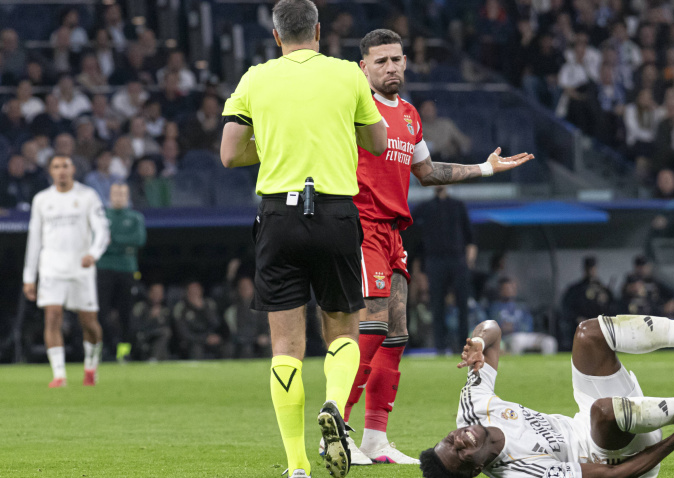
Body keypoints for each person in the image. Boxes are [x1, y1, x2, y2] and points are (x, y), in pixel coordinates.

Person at [341, 29, 532, 467]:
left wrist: (485, 168)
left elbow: (426, 172)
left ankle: (375, 439)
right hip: (361, 227)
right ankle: (336, 430)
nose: (390, 67)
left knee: (396, 335)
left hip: (393, 232)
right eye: (380, 61)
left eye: (396, 59)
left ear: (406, 62)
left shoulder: (409, 115)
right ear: (363, 68)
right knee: (371, 328)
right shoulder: (353, 108)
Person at [219, 1, 388, 477]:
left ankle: (296, 466)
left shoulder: (254, 78)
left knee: (286, 346)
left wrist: (275, 143)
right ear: (318, 30)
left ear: (276, 36)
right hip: (335, 213)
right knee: (343, 330)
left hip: (278, 215)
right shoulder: (347, 74)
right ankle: (334, 404)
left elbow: (229, 154)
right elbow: (377, 142)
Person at [420, 293, 674, 478]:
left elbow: (492, 328)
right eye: (460, 454)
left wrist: (479, 342)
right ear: (476, 470)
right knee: (602, 412)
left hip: (592, 420)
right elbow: (610, 476)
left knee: (588, 333)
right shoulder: (520, 472)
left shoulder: (472, 410)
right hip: (619, 458)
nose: (460, 440)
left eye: (450, 440)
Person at [22, 155, 111, 387]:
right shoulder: (42, 199)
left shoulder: (87, 196)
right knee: (52, 316)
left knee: (89, 323)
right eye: (56, 167)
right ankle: (59, 375)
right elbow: (34, 239)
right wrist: (29, 277)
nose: (61, 170)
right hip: (51, 267)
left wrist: (93, 253)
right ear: (50, 171)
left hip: (81, 267)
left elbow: (102, 230)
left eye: (65, 166)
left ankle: (91, 366)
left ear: (73, 170)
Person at [413, 186, 478, 356]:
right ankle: (440, 347)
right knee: (437, 304)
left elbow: (470, 237)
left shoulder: (458, 205)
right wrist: (419, 267)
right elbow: (411, 230)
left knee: (462, 304)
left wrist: (469, 261)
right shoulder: (425, 207)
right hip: (435, 260)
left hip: (457, 259)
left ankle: (464, 345)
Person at [97, 183, 146, 362]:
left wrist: (113, 240)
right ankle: (107, 348)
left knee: (126, 313)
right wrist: (124, 246)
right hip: (103, 269)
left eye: (122, 193)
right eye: (115, 193)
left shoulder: (135, 217)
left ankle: (124, 350)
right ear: (109, 195)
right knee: (101, 312)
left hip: (127, 270)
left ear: (128, 196)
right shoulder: (101, 217)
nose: (119, 196)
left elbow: (139, 240)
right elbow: (98, 243)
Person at [487, 277, 557, 355]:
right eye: (506, 288)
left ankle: (546, 363)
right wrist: (502, 328)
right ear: (500, 291)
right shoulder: (494, 308)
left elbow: (528, 324)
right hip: (508, 337)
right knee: (516, 341)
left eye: (511, 288)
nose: (509, 290)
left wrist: (514, 327)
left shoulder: (522, 306)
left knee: (549, 341)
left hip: (527, 335)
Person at [560, 256, 613, 349]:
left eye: (592, 268)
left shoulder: (603, 290)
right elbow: (566, 308)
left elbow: (612, 308)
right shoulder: (575, 289)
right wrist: (577, 318)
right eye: (589, 268)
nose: (591, 271)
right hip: (580, 327)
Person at [171, 281, 223, 360]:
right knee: (196, 348)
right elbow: (183, 333)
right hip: (191, 342)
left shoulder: (209, 304)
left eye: (197, 290)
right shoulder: (181, 307)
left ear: (201, 291)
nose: (194, 293)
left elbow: (216, 324)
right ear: (187, 292)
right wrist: (204, 339)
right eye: (192, 290)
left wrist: (203, 308)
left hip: (209, 338)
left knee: (227, 346)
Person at [132, 282, 172, 361]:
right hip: (142, 337)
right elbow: (134, 328)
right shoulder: (141, 307)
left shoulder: (165, 310)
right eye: (155, 292)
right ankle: (154, 358)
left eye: (159, 292)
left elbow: (170, 328)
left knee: (165, 333)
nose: (157, 295)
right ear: (149, 293)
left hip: (158, 340)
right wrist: (151, 318)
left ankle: (155, 358)